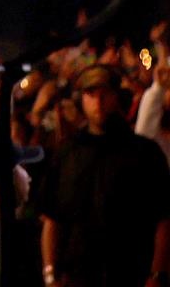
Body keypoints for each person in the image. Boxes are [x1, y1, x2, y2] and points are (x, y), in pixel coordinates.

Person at [36, 63, 170, 287]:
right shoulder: (66, 154)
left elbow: (163, 219)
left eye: (104, 93)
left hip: (130, 275)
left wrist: (157, 275)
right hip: (78, 277)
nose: (98, 102)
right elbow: (52, 219)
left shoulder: (144, 153)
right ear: (82, 99)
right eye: (90, 94)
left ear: (116, 96)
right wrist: (50, 274)